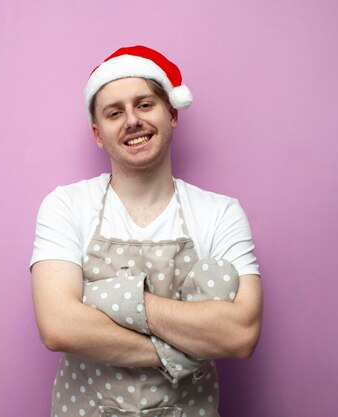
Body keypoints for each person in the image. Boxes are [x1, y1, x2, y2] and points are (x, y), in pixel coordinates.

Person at [30, 45, 262, 417]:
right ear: (97, 133)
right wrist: (181, 351)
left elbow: (241, 334)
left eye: (144, 105)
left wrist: (117, 298)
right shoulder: (67, 206)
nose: (132, 121)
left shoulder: (220, 213)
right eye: (114, 112)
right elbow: (58, 326)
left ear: (172, 114)